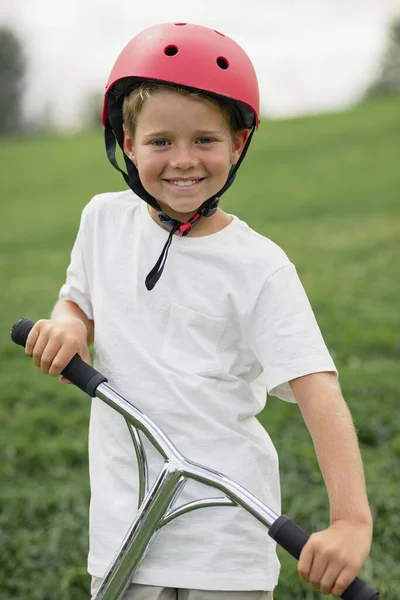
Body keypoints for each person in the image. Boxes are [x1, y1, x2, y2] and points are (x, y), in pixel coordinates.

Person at [25, 22, 373, 600]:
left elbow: (318, 391)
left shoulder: (259, 268)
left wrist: (350, 522)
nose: (183, 160)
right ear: (128, 145)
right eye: (161, 141)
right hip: (123, 524)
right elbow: (79, 299)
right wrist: (67, 326)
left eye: (205, 140)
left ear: (238, 144)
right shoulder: (103, 222)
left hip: (223, 534)